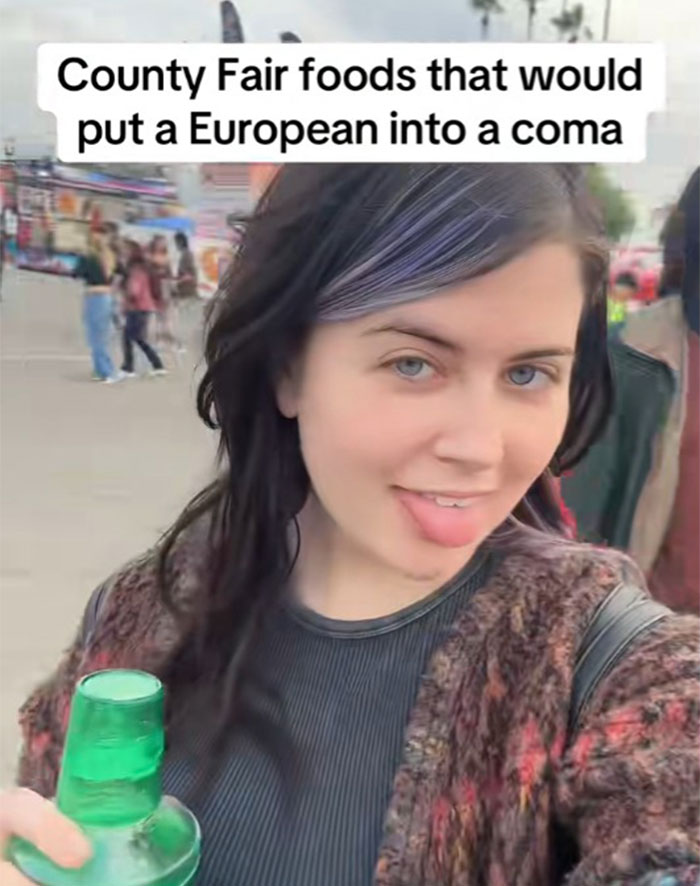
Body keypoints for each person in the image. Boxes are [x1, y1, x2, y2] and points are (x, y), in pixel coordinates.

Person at [3, 165, 698, 886]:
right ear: (288, 366)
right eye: (413, 363)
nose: (481, 448)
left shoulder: (602, 660)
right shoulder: (136, 615)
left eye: (528, 375)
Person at [73, 227, 122, 383]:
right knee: (99, 335)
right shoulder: (110, 257)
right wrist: (112, 286)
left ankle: (106, 371)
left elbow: (75, 274)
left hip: (94, 296)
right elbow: (122, 273)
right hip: (106, 296)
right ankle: (100, 370)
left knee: (95, 336)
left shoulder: (89, 257)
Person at [120, 240, 166, 377]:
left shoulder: (136, 270)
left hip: (136, 307)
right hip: (145, 307)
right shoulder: (146, 269)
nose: (124, 254)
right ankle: (155, 365)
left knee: (130, 337)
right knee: (136, 337)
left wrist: (126, 300)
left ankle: (129, 367)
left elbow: (134, 291)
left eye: (126, 251)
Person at [147, 234, 185, 353]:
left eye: (163, 243)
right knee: (159, 316)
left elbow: (169, 274)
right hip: (156, 286)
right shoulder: (151, 257)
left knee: (167, 317)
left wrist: (174, 288)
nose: (162, 244)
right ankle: (160, 341)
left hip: (165, 287)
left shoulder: (166, 257)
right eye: (160, 242)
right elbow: (149, 272)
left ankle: (173, 342)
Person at [173, 231, 198, 299]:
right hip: (185, 293)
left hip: (188, 294)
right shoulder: (186, 254)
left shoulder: (187, 255)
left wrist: (176, 282)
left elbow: (190, 276)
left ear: (180, 242)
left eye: (176, 242)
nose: (175, 245)